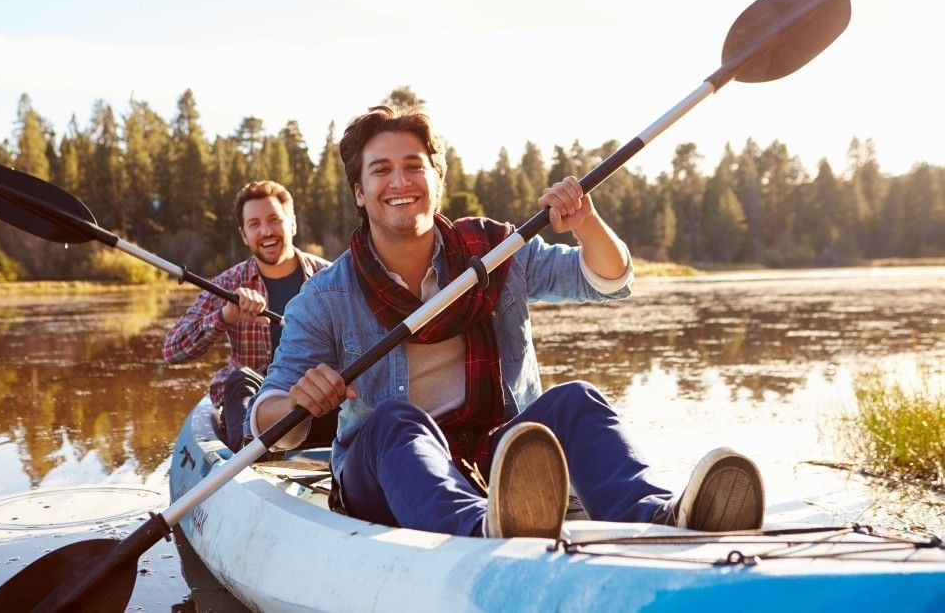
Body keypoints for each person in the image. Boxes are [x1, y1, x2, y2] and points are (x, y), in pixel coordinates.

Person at [246, 105, 765, 538]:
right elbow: (268, 419)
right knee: (395, 422)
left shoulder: (497, 252)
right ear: (359, 192)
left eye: (414, 165)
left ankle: (660, 519)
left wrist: (584, 222)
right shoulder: (324, 296)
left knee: (576, 399)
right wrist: (294, 403)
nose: (400, 181)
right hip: (384, 476)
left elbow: (608, 279)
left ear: (437, 179)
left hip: (498, 458)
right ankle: (483, 531)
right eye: (380, 170)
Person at [163, 181, 330, 452]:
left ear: (292, 224)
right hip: (255, 404)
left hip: (314, 400)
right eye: (254, 224)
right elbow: (172, 349)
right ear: (243, 234)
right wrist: (224, 316)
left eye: (274, 220)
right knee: (240, 378)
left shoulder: (329, 278)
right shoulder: (228, 283)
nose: (266, 231)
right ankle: (249, 456)